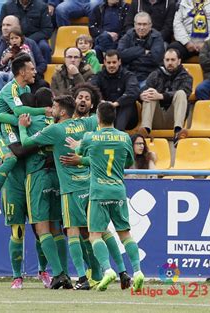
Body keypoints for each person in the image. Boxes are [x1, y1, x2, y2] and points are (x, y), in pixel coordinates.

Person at [18, 95, 99, 290]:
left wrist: (21, 126)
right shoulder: (83, 123)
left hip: (50, 180)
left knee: (43, 227)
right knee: (83, 230)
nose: (50, 109)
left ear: (61, 111)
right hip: (80, 183)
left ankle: (61, 274)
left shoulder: (52, 128)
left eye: (54, 106)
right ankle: (97, 272)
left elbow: (25, 143)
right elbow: (99, 117)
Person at [73, 101, 145, 292]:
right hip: (118, 190)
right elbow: (128, 161)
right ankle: (137, 271)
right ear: (114, 118)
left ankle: (107, 270)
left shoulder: (90, 137)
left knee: (95, 234)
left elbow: (79, 153)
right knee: (125, 234)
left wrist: (78, 146)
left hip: (99, 192)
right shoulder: (124, 138)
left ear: (98, 117)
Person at [0, 53, 50, 214]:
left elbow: (19, 115)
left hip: (11, 128)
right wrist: (44, 111)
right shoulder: (10, 89)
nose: (35, 72)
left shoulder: (26, 88)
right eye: (32, 69)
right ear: (22, 72)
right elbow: (19, 111)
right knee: (11, 158)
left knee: (19, 158)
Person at [0, 15, 48, 109]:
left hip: (22, 77)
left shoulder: (30, 44)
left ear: (18, 27)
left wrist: (29, 74)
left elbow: (42, 64)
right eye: (3, 25)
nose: (4, 28)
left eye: (8, 25)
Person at [138, 49, 193, 146]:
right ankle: (145, 131)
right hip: (156, 117)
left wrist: (161, 96)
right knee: (150, 93)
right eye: (167, 60)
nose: (170, 63)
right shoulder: (155, 74)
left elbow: (186, 93)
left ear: (179, 61)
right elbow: (142, 90)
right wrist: (141, 95)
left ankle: (178, 132)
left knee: (181, 93)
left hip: (174, 118)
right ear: (164, 61)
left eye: (173, 60)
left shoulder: (186, 76)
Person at [91, 50, 140, 130]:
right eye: (109, 62)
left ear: (119, 62)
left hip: (126, 116)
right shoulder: (99, 76)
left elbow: (133, 91)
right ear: (104, 62)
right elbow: (92, 88)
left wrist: (116, 104)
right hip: (104, 111)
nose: (111, 65)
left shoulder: (128, 75)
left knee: (128, 103)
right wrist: (102, 102)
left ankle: (118, 133)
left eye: (114, 62)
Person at [117, 12, 165, 87]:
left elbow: (155, 59)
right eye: (139, 24)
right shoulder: (128, 36)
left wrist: (130, 57)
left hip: (148, 77)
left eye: (144, 24)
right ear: (135, 25)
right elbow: (120, 55)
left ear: (150, 25)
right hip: (129, 76)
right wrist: (142, 50)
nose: (141, 28)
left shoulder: (157, 37)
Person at [0, 27, 34, 93]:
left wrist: (18, 55)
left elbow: (29, 62)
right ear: (9, 40)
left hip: (20, 73)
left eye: (16, 38)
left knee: (11, 74)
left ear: (21, 39)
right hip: (8, 72)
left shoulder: (25, 49)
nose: (14, 40)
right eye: (12, 38)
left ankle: (9, 93)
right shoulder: (7, 51)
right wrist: (4, 59)